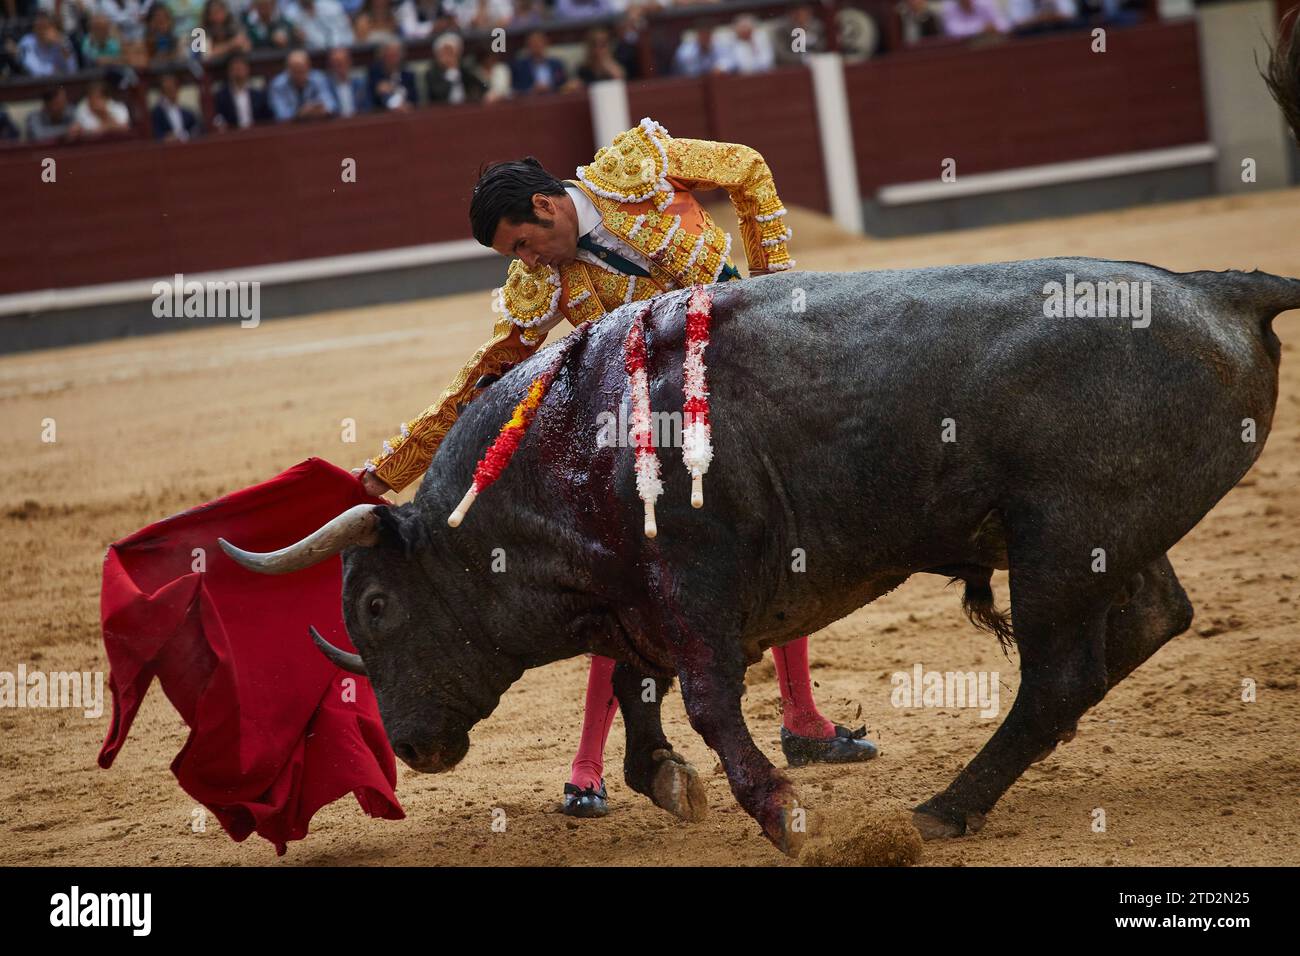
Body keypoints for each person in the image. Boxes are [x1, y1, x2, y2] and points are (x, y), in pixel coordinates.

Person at [351, 118, 876, 818]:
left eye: (523, 243)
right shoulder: (540, 286)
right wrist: (385, 473)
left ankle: (802, 720)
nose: (528, 261)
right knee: (620, 571)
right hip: (658, 420)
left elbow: (747, 167)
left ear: (545, 206)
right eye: (515, 255)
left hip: (748, 379)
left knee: (776, 539)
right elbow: (485, 375)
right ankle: (589, 766)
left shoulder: (639, 167)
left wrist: (775, 294)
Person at [269, 47, 335, 120]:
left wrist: (317, 109)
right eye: (295, 71)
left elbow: (330, 106)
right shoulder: (278, 85)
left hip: (317, 123)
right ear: (288, 69)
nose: (299, 75)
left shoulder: (319, 79)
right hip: (291, 129)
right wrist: (299, 113)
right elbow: (281, 115)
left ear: (308, 67)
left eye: (302, 70)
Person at [214, 51, 273, 129]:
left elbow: (268, 118)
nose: (238, 72)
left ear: (247, 70)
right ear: (229, 71)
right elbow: (218, 119)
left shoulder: (258, 95)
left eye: (241, 68)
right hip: (232, 135)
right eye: (235, 69)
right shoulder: (221, 97)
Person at [426, 32, 486, 104]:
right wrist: (452, 71)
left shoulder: (465, 70)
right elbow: (440, 95)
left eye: (451, 52)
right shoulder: (432, 74)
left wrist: (488, 93)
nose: (448, 57)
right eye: (444, 53)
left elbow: (482, 86)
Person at [18, 12, 77, 76]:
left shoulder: (63, 40)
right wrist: (53, 71)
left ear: (53, 27)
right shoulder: (26, 42)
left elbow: (72, 69)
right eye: (39, 27)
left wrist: (61, 45)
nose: (42, 31)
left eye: (45, 27)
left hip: (61, 82)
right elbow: (32, 69)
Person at [368, 39, 418, 110]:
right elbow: (372, 98)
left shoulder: (408, 74)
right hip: (383, 113)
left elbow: (414, 98)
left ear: (401, 56)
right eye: (389, 55)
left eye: (395, 55)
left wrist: (408, 104)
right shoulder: (375, 73)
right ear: (383, 56)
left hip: (406, 112)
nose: (392, 59)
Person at [151, 71, 202, 140]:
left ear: (177, 90)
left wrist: (185, 135)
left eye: (172, 89)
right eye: (167, 90)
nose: (171, 93)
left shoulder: (187, 112)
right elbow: (156, 133)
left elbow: (197, 129)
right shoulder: (157, 113)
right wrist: (166, 138)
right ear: (163, 92)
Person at [324, 45, 372, 115]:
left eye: (343, 62)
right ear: (331, 65)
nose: (340, 66)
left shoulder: (360, 84)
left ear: (349, 62)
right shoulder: (327, 86)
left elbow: (368, 108)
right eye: (337, 64)